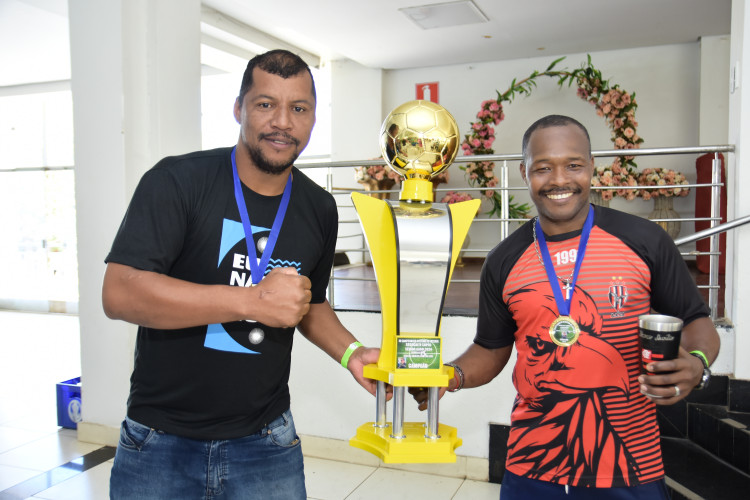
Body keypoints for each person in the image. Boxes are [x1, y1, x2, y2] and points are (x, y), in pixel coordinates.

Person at [102, 49, 382, 499]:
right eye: (265, 104)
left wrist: (352, 353)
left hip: (266, 442)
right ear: (239, 109)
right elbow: (120, 294)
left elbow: (308, 303)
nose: (283, 122)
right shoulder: (177, 181)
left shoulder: (319, 207)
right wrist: (252, 300)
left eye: (299, 108)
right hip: (160, 440)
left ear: (313, 118)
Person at [412, 114, 720, 499]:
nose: (559, 180)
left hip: (630, 465)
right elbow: (491, 348)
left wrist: (698, 363)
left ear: (591, 166)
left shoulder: (644, 240)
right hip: (532, 466)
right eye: (543, 168)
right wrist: (450, 375)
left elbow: (696, 322)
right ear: (524, 172)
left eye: (573, 165)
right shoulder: (504, 260)